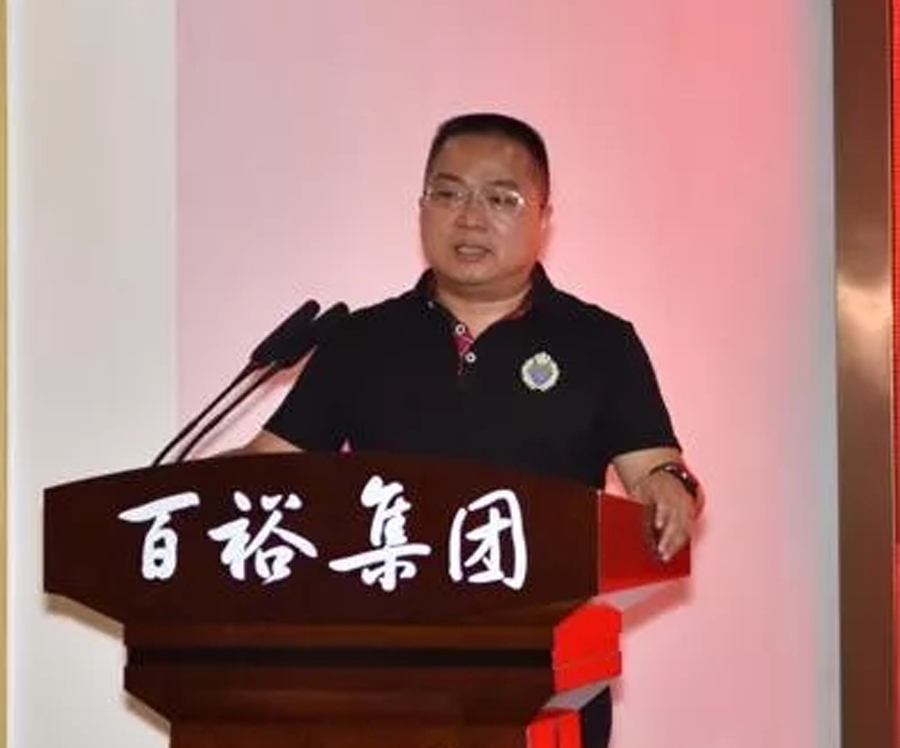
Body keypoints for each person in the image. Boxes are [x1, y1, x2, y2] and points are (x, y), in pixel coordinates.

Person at [236, 112, 702, 747]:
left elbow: (657, 471)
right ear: (421, 207)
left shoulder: (601, 344)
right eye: (449, 194)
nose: (470, 218)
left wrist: (671, 487)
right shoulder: (361, 341)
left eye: (500, 199)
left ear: (544, 216)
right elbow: (263, 473)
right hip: (385, 680)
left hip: (547, 683)